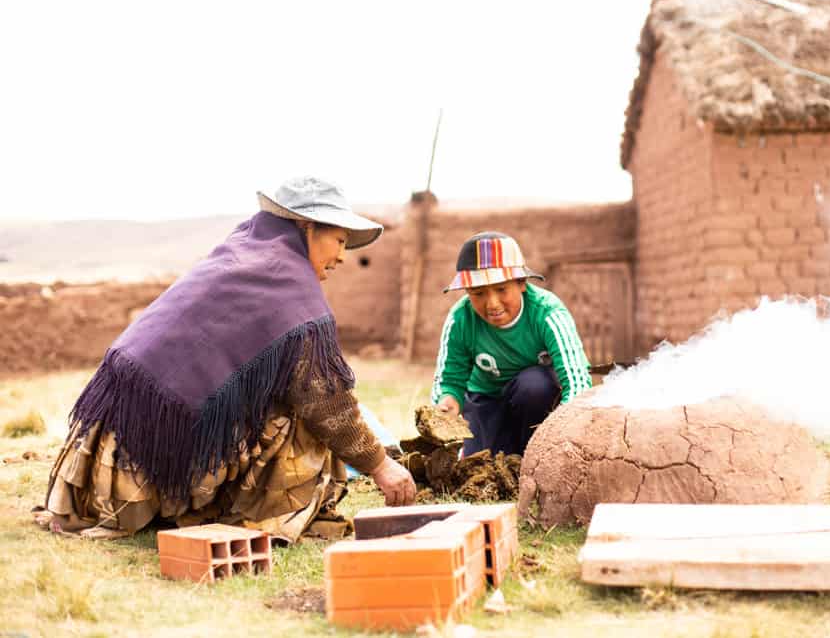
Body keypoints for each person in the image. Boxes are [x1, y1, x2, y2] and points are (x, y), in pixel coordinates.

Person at [40, 177, 415, 541]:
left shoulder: (240, 256)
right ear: (306, 226)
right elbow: (326, 403)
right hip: (139, 464)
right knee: (304, 424)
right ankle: (252, 514)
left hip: (98, 473)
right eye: (339, 240)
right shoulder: (290, 291)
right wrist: (380, 465)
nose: (341, 257)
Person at [431, 231, 591, 457]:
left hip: (536, 403)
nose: (492, 304)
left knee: (534, 385)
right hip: (485, 399)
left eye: (501, 289)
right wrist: (447, 404)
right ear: (467, 292)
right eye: (478, 293)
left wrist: (563, 431)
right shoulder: (460, 320)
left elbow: (576, 383)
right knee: (479, 465)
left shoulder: (547, 313)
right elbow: (448, 381)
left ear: (522, 283)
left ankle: (535, 454)